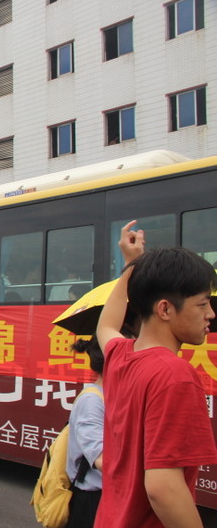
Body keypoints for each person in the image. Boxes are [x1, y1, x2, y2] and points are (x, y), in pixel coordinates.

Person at [94, 220, 217, 528]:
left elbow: (106, 325)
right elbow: (163, 488)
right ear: (164, 309)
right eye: (203, 304)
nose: (211, 314)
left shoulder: (122, 356)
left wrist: (131, 266)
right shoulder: (175, 375)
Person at [65, 339, 105, 528]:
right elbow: (100, 459)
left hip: (109, 495)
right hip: (92, 499)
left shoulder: (117, 397)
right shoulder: (92, 401)